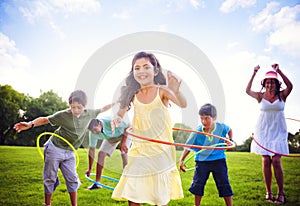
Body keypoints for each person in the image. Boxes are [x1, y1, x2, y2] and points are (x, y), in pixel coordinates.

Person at [110, 51, 187, 206]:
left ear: (155, 71)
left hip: (160, 149)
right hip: (139, 148)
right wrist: (117, 118)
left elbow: (182, 103)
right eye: (137, 68)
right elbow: (121, 112)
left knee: (159, 196)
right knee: (133, 191)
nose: (141, 71)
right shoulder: (133, 93)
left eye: (146, 67)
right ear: (133, 73)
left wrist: (176, 90)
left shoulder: (162, 91)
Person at [13, 90, 115, 206]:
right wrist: (30, 124)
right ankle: (47, 204)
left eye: (79, 107)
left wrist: (118, 101)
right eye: (73, 107)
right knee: (50, 177)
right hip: (55, 148)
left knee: (72, 178)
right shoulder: (63, 115)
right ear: (69, 105)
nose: (76, 110)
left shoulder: (90, 114)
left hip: (70, 151)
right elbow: (45, 119)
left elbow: (104, 108)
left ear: (84, 106)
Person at [246, 64, 293, 204]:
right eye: (268, 81)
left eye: (273, 81)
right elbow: (247, 90)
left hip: (278, 131)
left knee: (277, 161)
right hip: (263, 130)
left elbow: (290, 86)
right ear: (264, 83)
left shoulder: (282, 95)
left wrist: (279, 71)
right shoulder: (260, 96)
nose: (270, 83)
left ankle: (281, 192)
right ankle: (269, 192)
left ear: (277, 83)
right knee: (266, 160)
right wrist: (254, 73)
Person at [179, 103, 234, 206]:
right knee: (198, 184)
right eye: (201, 118)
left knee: (224, 184)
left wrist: (230, 139)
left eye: (207, 118)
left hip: (219, 160)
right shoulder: (197, 131)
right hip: (202, 162)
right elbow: (188, 146)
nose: (204, 121)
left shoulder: (221, 127)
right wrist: (182, 159)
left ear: (214, 117)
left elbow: (229, 129)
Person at [85, 117, 131, 190]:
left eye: (95, 130)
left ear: (99, 124)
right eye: (92, 131)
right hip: (112, 137)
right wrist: (90, 168)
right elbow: (91, 150)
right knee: (101, 154)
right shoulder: (93, 133)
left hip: (125, 133)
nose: (94, 133)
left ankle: (128, 183)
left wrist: (124, 142)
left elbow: (128, 125)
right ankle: (97, 183)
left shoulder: (110, 120)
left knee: (123, 153)